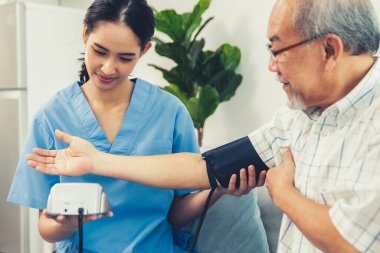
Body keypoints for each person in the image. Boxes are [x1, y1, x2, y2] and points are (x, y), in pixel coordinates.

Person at [26, 0, 380, 252]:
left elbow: (351, 241)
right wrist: (97, 162)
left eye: (277, 50)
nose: (271, 66)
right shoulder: (294, 120)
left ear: (330, 51)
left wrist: (283, 193)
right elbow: (204, 167)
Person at [7, 0, 262, 252]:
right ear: (85, 33)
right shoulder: (51, 118)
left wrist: (218, 189)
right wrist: (66, 224)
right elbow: (45, 228)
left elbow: (176, 214)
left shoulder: (170, 112)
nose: (108, 68)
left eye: (125, 57)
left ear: (144, 50)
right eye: (100, 51)